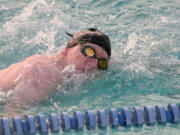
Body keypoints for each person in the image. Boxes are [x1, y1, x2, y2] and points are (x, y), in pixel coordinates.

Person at [0, 28, 111, 115]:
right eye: (88, 51)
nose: (92, 64)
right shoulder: (43, 72)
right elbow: (12, 116)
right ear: (66, 50)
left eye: (102, 62)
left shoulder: (64, 75)